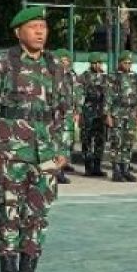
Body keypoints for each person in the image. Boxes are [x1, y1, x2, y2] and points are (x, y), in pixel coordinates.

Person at [0, 7, 69, 272]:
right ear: (18, 33)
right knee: (9, 211)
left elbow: (64, 111)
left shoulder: (56, 66)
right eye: (33, 27)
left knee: (38, 214)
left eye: (43, 26)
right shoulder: (1, 64)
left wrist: (63, 148)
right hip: (11, 152)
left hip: (46, 154)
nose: (40, 32)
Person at [106, 52, 137, 183]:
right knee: (116, 142)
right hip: (117, 112)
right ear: (120, 63)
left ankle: (126, 169)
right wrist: (107, 115)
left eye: (130, 63)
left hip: (131, 114)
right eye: (125, 63)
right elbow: (108, 96)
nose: (128, 65)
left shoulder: (135, 77)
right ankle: (116, 171)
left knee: (128, 143)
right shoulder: (113, 77)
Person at [79, 53, 109, 177]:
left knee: (100, 140)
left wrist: (107, 112)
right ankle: (88, 167)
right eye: (95, 63)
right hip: (88, 111)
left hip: (101, 112)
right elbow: (79, 95)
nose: (98, 65)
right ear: (91, 64)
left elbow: (109, 95)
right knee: (86, 140)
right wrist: (80, 113)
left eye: (100, 63)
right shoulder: (84, 77)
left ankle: (97, 166)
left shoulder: (105, 77)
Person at [54, 49, 79, 184]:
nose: (65, 63)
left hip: (68, 113)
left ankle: (61, 171)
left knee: (66, 143)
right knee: (55, 143)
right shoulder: (51, 74)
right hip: (55, 114)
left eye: (67, 61)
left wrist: (77, 110)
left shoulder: (71, 75)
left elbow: (76, 93)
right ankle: (54, 172)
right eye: (62, 61)